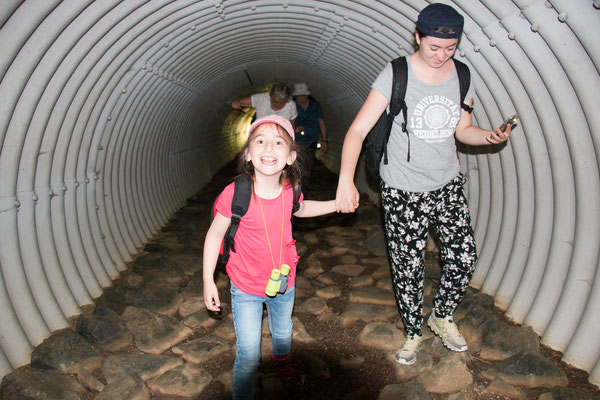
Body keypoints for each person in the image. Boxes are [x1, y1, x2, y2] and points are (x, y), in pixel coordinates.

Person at [335, 3, 513, 366]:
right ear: (418, 37)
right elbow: (356, 130)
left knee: (464, 257)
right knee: (408, 267)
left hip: (446, 184)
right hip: (402, 189)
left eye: (450, 48)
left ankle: (441, 315)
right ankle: (414, 332)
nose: (441, 55)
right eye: (434, 46)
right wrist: (344, 182)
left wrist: (489, 137)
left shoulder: (461, 75)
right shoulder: (396, 73)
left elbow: (463, 130)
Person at [203, 115, 338, 399]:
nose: (268, 149)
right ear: (248, 154)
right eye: (260, 142)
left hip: (284, 283)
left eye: (278, 143)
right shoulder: (236, 193)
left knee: (283, 334)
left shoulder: (291, 190)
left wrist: (336, 204)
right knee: (249, 355)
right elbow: (214, 235)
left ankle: (282, 362)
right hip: (245, 287)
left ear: (290, 157)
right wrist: (208, 280)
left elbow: (300, 210)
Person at [293, 82, 328, 198]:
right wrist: (294, 129)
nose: (301, 99)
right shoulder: (292, 106)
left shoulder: (315, 105)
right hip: (296, 143)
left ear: (307, 96)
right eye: (299, 96)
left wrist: (325, 140)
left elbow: (321, 122)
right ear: (295, 97)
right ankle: (297, 189)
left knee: (308, 166)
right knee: (298, 166)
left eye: (303, 96)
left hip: (311, 142)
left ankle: (304, 190)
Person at [231, 82, 298, 124]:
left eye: (282, 102)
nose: (278, 104)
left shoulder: (291, 105)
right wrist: (236, 102)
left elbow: (292, 124)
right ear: (270, 97)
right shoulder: (262, 99)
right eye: (275, 102)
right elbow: (239, 102)